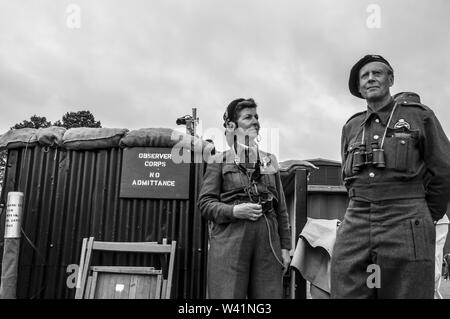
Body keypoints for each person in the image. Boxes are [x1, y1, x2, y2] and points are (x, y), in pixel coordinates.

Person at [331, 54, 450, 298]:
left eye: (377, 73)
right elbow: (347, 177)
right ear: (359, 86)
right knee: (346, 288)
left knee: (408, 291)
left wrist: (427, 214)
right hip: (357, 218)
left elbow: (443, 168)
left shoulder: (419, 116)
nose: (371, 78)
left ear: (390, 79)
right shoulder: (351, 126)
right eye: (365, 76)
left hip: (406, 217)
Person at [198, 98, 291, 299]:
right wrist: (234, 211)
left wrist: (285, 248)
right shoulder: (218, 161)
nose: (255, 121)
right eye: (248, 117)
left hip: (267, 242)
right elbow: (205, 204)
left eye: (257, 116)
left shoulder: (269, 160)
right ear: (232, 125)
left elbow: (281, 208)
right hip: (230, 241)